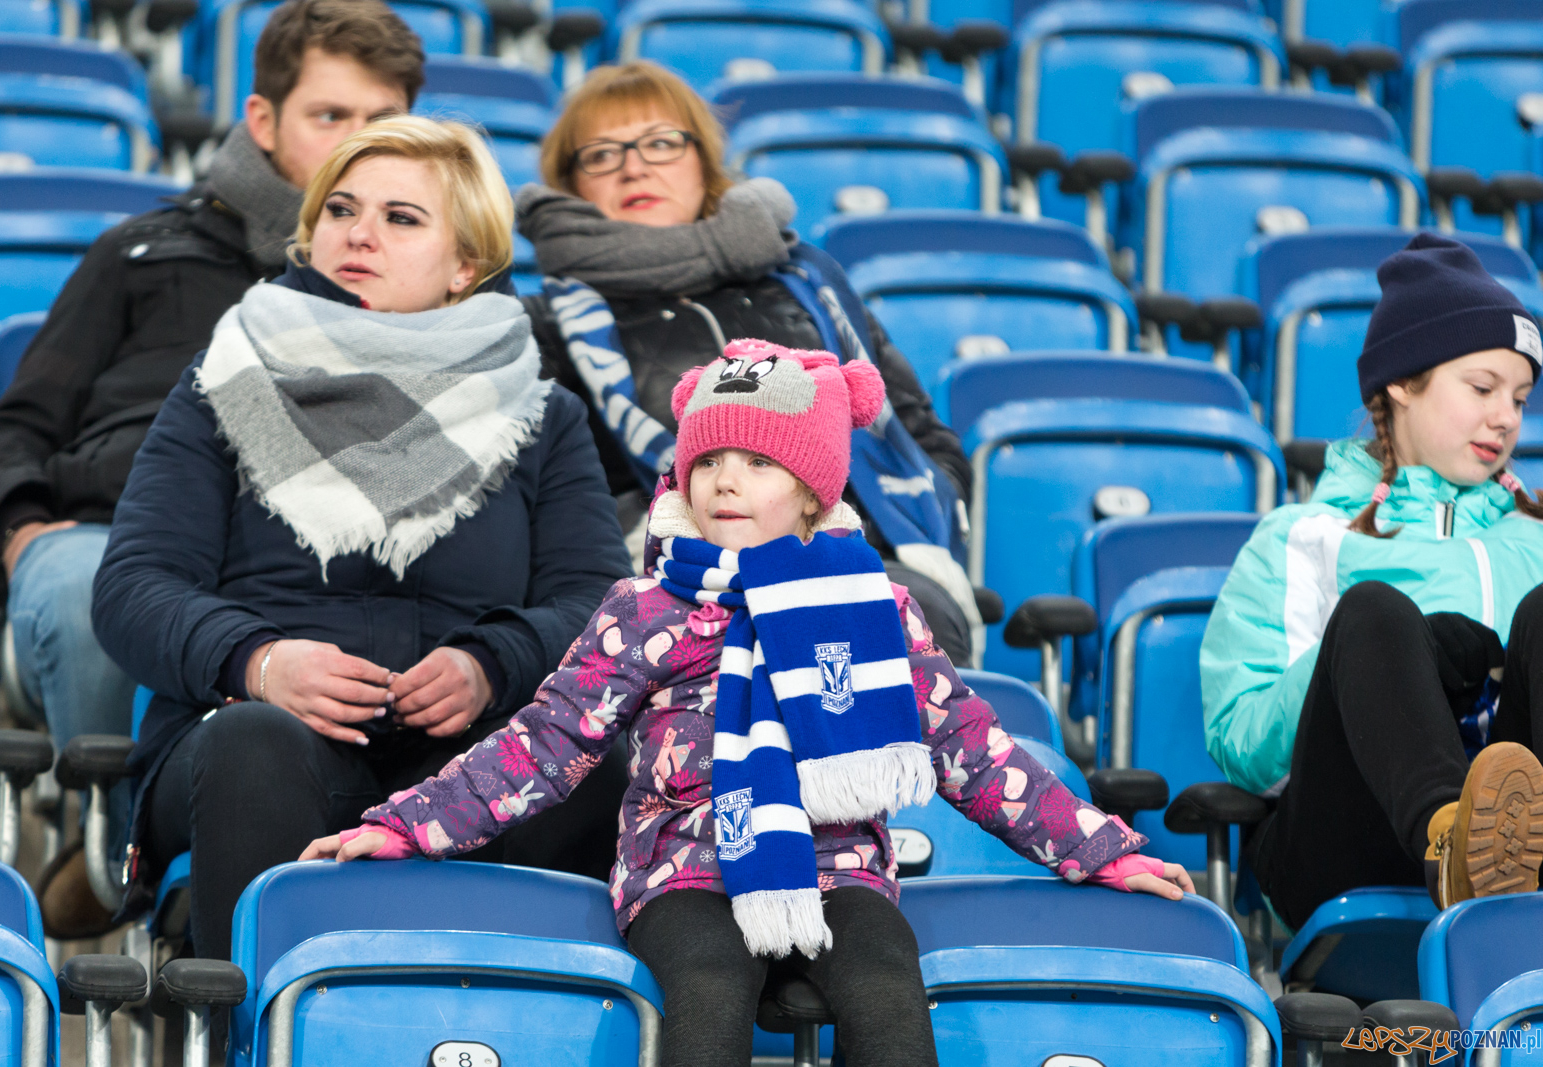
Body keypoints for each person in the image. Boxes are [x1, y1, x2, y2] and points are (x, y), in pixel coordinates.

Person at [305, 338, 1192, 1067]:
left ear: (813, 494)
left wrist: (1100, 849)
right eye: (709, 460)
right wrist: (405, 822)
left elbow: (969, 746)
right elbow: (543, 743)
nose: (726, 481)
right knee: (705, 985)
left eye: (758, 462)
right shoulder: (647, 608)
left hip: (840, 869)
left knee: (887, 984)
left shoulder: (872, 604)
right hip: (683, 870)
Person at [90, 116, 632, 971]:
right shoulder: (223, 383)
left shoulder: (544, 413)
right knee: (254, 744)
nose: (360, 233)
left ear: (464, 267)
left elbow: (599, 606)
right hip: (258, 739)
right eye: (342, 209)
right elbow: (134, 586)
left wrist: (492, 662)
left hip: (472, 749)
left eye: (401, 218)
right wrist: (258, 660)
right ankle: (264, 1036)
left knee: (587, 765)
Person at [0, 0, 425, 936]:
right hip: (114, 522)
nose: (356, 145)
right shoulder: (141, 250)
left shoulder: (428, 283)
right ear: (263, 122)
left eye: (380, 121)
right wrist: (18, 529)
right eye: (332, 118)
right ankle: (122, 835)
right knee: (104, 592)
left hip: (302, 557)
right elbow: (19, 424)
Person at [516, 61, 980, 665]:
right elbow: (561, 490)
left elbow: (918, 435)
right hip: (671, 569)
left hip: (849, 549)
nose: (635, 166)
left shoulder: (807, 283)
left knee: (894, 605)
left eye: (661, 143)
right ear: (572, 185)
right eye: (602, 154)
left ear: (703, 161)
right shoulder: (547, 320)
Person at [1202, 233, 1543, 932]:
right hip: (1348, 853)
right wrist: (1368, 659)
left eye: (1519, 396)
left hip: (1526, 872)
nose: (1505, 416)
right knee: (1373, 613)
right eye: (1481, 387)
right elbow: (1241, 747)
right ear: (1402, 381)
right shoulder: (1304, 537)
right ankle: (1452, 842)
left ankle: (1497, 853)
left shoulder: (1533, 537)